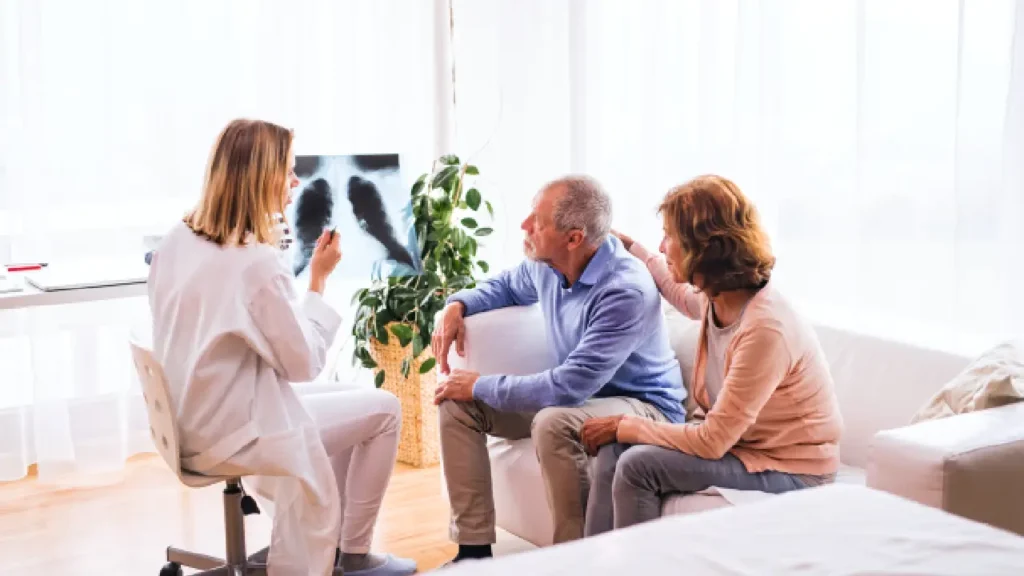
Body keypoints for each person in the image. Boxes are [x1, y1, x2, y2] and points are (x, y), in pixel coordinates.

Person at [147, 118, 417, 576]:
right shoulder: (255, 262)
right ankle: (352, 553)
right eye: (288, 170)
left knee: (350, 404)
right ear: (259, 177)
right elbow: (303, 363)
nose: (297, 182)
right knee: (386, 409)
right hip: (231, 428)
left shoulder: (180, 237)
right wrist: (318, 280)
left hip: (191, 414)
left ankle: (330, 544)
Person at [431, 175, 687, 563]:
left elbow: (569, 386)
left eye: (538, 220)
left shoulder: (624, 290)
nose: (524, 226)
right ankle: (473, 552)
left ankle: (572, 560)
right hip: (586, 398)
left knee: (554, 421)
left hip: (644, 406)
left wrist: (482, 385)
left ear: (573, 238)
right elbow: (504, 286)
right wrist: (458, 304)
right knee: (456, 404)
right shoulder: (547, 265)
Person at [580, 174, 843, 536]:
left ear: (702, 247)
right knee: (614, 449)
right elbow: (680, 294)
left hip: (792, 469)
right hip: (746, 447)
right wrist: (634, 249)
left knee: (638, 464)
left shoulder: (766, 328)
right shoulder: (720, 295)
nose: (662, 244)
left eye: (670, 236)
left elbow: (712, 440)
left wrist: (625, 425)